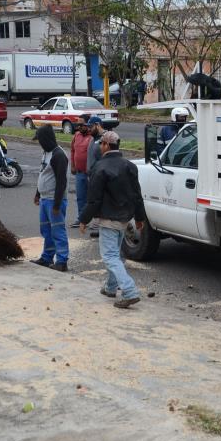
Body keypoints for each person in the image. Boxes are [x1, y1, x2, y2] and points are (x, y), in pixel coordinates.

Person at [79, 130, 146, 309]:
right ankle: (110, 287)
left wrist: (83, 219)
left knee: (110, 257)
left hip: (109, 219)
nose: (99, 146)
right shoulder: (130, 166)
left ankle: (129, 291)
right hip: (125, 219)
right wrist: (139, 218)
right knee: (115, 255)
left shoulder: (99, 168)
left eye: (101, 143)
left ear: (107, 145)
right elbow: (137, 195)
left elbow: (94, 200)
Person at [31, 125, 69, 272]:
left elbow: (62, 182)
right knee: (46, 230)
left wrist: (57, 205)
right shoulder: (46, 152)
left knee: (58, 231)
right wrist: (37, 193)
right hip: (45, 199)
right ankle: (47, 258)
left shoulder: (59, 155)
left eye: (40, 140)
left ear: (46, 139)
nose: (39, 143)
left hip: (54, 200)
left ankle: (62, 261)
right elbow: (43, 173)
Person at [69, 117, 92, 228]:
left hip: (91, 174)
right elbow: (72, 150)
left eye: (81, 125)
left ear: (88, 125)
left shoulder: (92, 137)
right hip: (79, 172)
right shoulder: (76, 136)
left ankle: (96, 221)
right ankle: (81, 219)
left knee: (93, 198)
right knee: (80, 197)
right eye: (78, 125)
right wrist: (73, 165)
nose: (79, 127)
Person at [85, 115, 105, 237]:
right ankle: (98, 225)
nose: (88, 129)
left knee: (102, 201)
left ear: (97, 125)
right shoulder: (93, 138)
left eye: (90, 127)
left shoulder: (105, 138)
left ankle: (101, 228)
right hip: (92, 177)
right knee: (94, 201)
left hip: (101, 177)